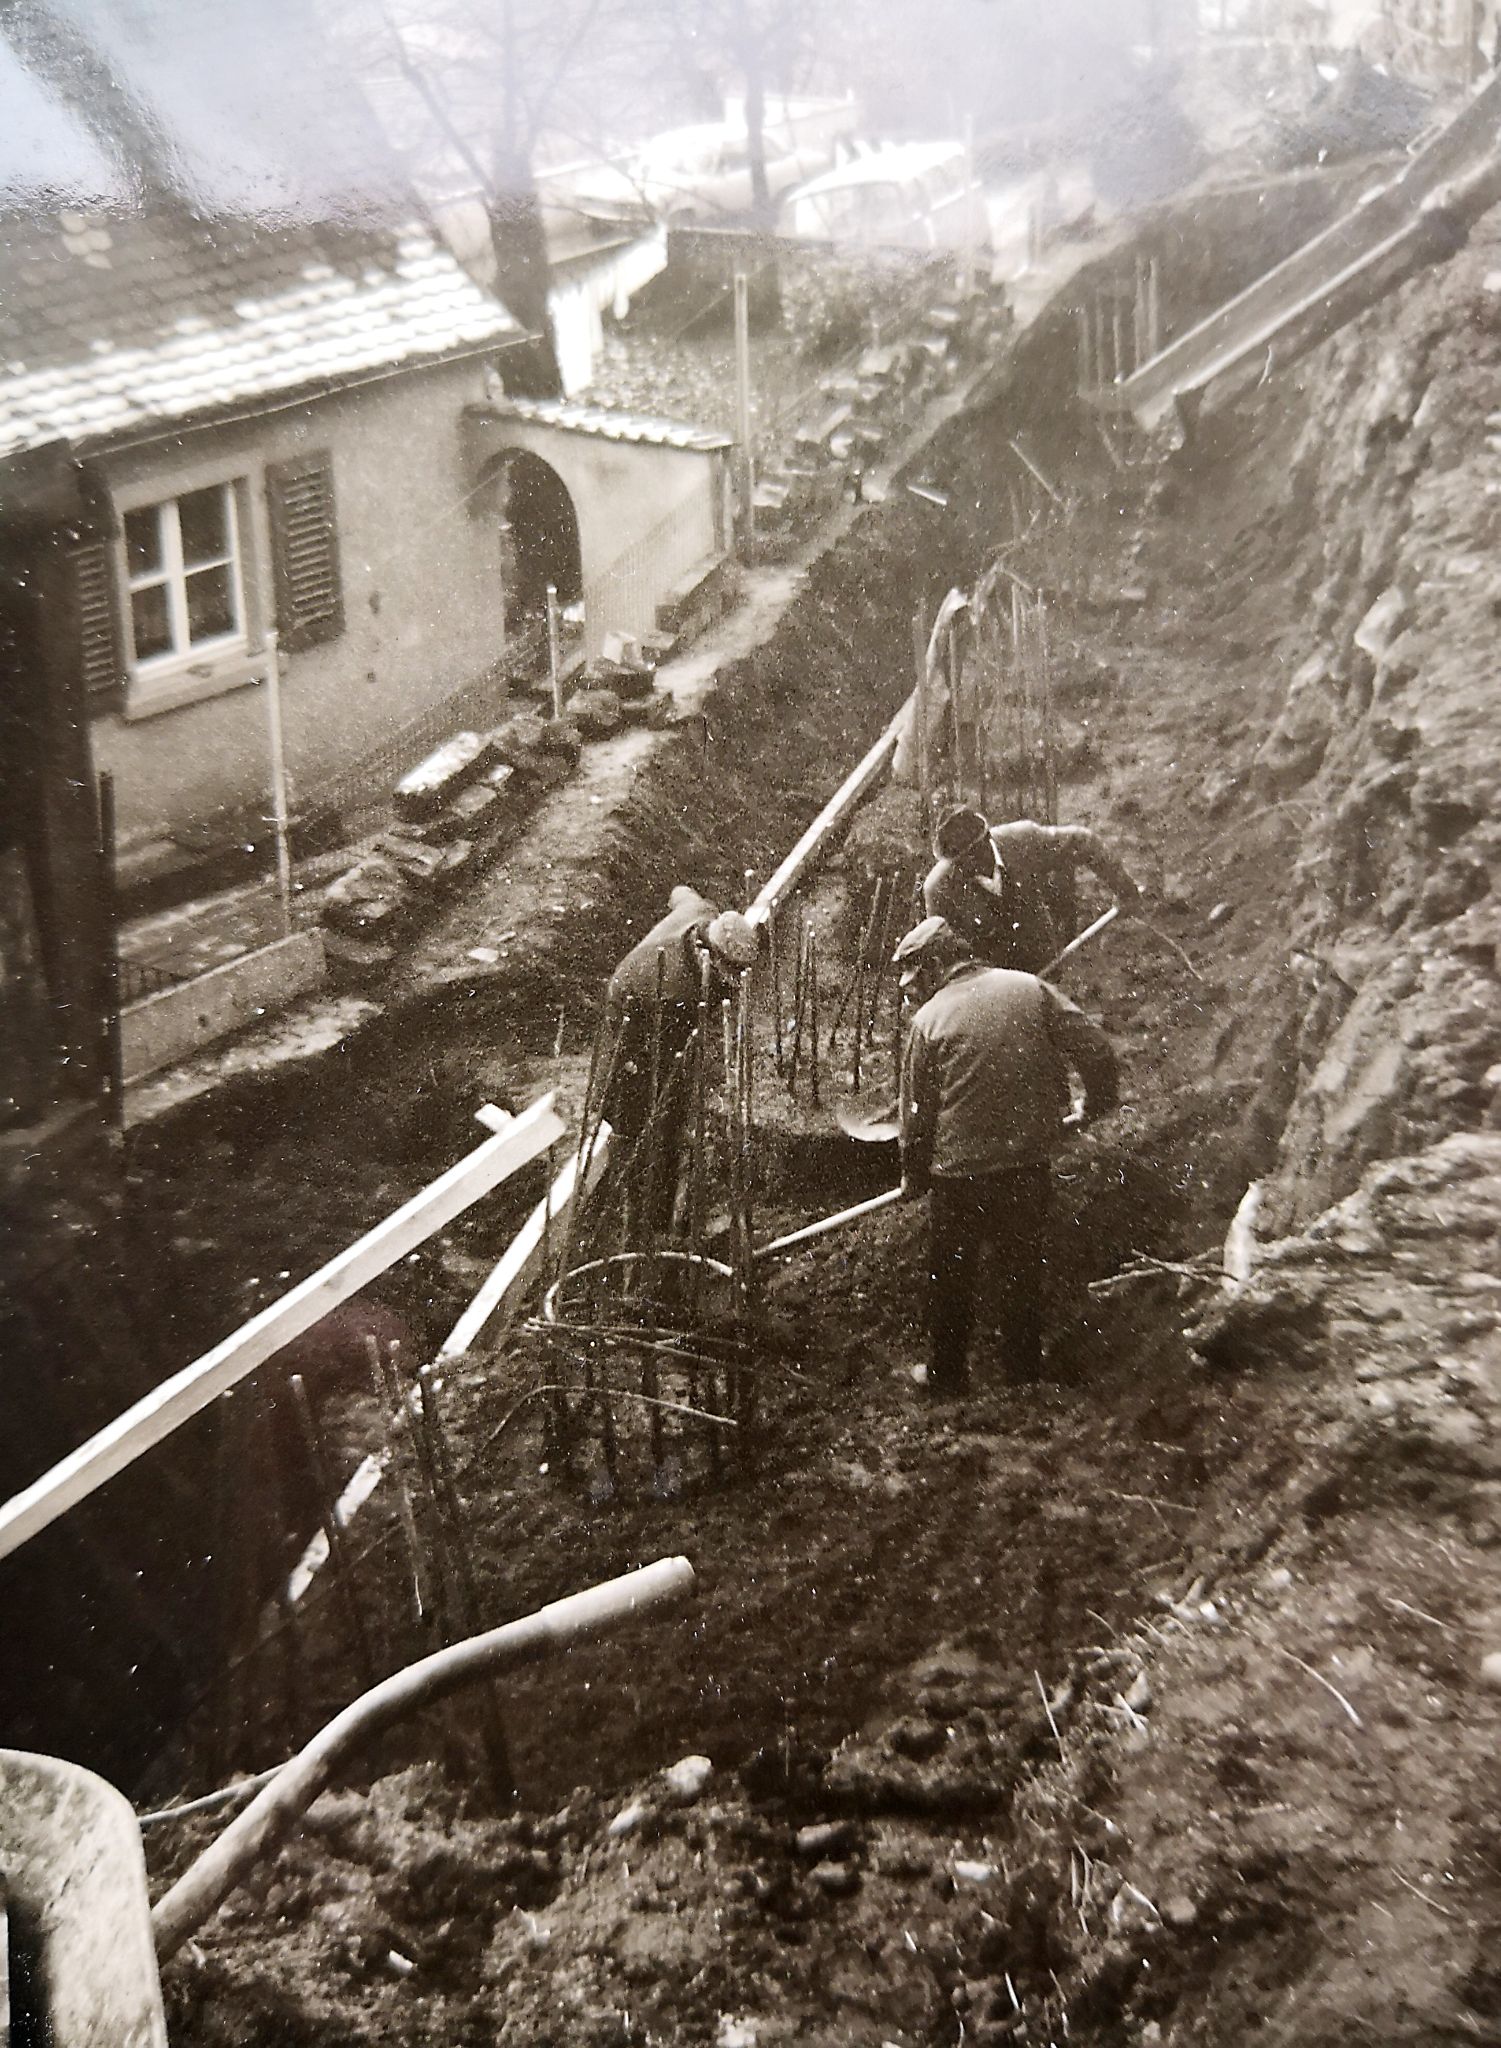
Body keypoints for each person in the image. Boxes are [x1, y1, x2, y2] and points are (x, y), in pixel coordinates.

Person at [894, 916, 1120, 1396]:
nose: (914, 990)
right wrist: (1095, 1106)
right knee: (1021, 1268)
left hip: (958, 1177)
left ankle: (947, 1377)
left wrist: (914, 1177)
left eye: (917, 977)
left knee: (951, 1277)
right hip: (1026, 1164)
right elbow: (1097, 1051)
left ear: (936, 966)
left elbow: (916, 1119)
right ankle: (1023, 1373)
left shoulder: (928, 1021)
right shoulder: (1030, 988)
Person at [599, 886, 759, 1239]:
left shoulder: (703, 914)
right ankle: (646, 1230)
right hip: (629, 1026)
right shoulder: (677, 995)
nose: (732, 986)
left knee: (673, 1115)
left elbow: (680, 894)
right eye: (728, 978)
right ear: (707, 956)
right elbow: (677, 1064)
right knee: (648, 1130)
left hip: (647, 993)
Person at [922, 805, 1142, 974]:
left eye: (970, 856)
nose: (963, 866)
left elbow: (1082, 842)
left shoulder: (1022, 840)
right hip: (992, 984)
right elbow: (942, 951)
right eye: (957, 861)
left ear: (986, 840)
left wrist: (1125, 890)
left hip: (1044, 958)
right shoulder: (939, 889)